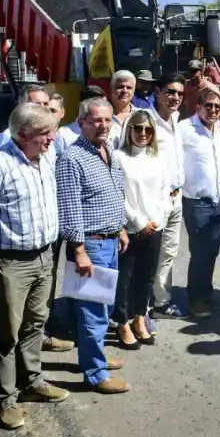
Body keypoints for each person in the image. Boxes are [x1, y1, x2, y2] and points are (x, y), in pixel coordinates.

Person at [0, 103, 68, 429]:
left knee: (35, 326)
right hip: (11, 264)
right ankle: (6, 398)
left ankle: (32, 382)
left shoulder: (45, 158)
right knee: (7, 333)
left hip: (44, 257)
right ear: (22, 134)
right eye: (45, 134)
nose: (52, 139)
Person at [55, 97, 130, 394]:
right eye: (96, 120)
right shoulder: (72, 158)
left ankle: (94, 357)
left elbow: (114, 193)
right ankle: (95, 375)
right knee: (91, 313)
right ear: (82, 122)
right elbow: (70, 208)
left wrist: (121, 227)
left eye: (107, 120)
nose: (103, 125)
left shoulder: (107, 150)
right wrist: (79, 250)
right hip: (91, 246)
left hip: (110, 242)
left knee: (103, 309)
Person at [113, 110, 170, 349]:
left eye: (148, 129)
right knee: (125, 279)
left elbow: (165, 193)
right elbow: (118, 194)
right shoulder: (118, 157)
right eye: (138, 128)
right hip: (130, 228)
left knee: (146, 278)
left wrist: (155, 220)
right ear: (129, 130)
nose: (143, 134)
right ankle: (122, 322)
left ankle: (139, 319)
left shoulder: (158, 158)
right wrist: (138, 221)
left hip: (154, 227)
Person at [179, 88, 220, 318]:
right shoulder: (184, 129)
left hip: (219, 201)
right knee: (199, 253)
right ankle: (196, 299)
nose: (213, 110)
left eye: (217, 106)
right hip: (196, 202)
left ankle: (206, 294)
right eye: (208, 105)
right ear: (198, 106)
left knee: (212, 251)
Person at [147, 72, 187, 319]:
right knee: (148, 252)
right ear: (158, 92)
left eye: (180, 94)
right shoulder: (145, 121)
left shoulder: (177, 120)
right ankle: (139, 306)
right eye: (170, 92)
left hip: (176, 197)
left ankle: (162, 301)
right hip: (154, 199)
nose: (175, 97)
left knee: (169, 251)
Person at [55, 85, 107, 154]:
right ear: (82, 105)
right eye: (97, 105)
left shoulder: (108, 131)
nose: (102, 109)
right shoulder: (64, 134)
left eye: (105, 104)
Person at [108, 70, 138, 146]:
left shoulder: (142, 115)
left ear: (134, 91)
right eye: (120, 87)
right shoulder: (101, 116)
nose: (125, 91)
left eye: (129, 87)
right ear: (111, 89)